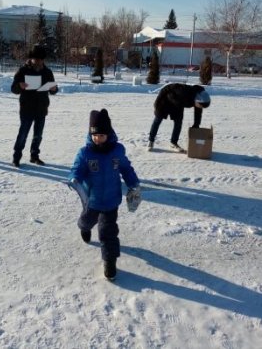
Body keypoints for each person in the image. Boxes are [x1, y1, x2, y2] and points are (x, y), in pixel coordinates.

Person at [69, 109, 140, 281]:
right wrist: (74, 178)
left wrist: (133, 183)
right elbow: (76, 169)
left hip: (111, 200)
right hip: (92, 200)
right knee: (87, 221)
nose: (97, 138)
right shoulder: (85, 153)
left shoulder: (117, 151)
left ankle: (110, 261)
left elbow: (126, 168)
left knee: (107, 232)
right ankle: (84, 227)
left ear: (108, 134)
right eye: (94, 135)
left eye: (101, 135)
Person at [11, 44, 58, 168]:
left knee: (38, 135)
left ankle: (34, 156)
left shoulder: (47, 72)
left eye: (41, 60)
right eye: (36, 59)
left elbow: (53, 90)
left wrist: (54, 88)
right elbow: (13, 89)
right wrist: (19, 86)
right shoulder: (23, 70)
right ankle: (16, 157)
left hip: (41, 108)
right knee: (23, 134)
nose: (38, 62)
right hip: (26, 108)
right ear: (31, 58)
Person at [147, 83, 211, 152]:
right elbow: (169, 92)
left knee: (178, 123)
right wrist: (158, 104)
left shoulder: (199, 96)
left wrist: (196, 124)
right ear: (197, 101)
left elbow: (198, 112)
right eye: (200, 106)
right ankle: (151, 140)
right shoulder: (183, 93)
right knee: (158, 120)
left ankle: (173, 142)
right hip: (165, 99)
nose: (200, 108)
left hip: (178, 103)